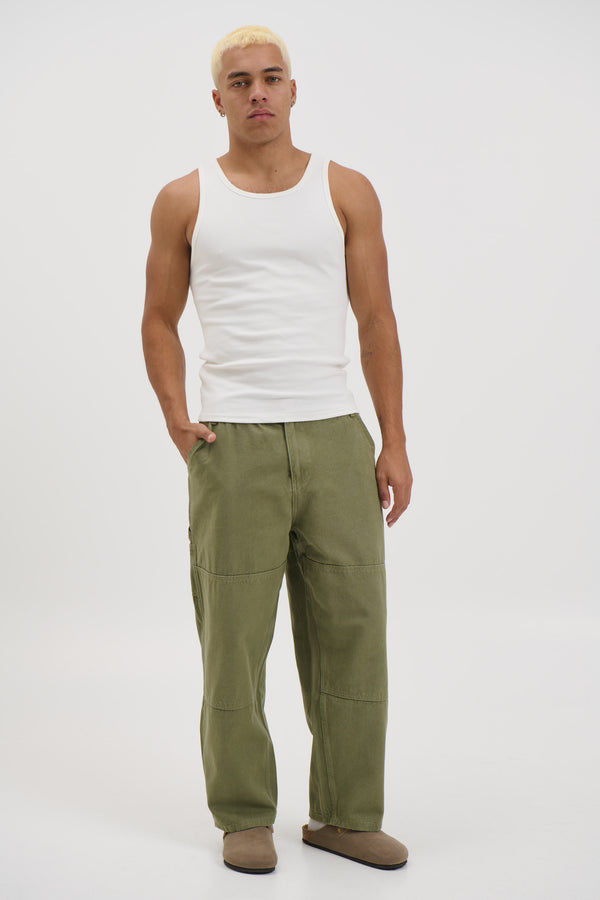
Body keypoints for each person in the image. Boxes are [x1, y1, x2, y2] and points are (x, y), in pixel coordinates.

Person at [141, 24, 413, 875]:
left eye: (271, 77)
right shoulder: (184, 199)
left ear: (293, 91)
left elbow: (376, 320)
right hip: (234, 443)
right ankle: (243, 815)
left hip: (334, 436)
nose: (257, 92)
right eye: (240, 81)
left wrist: (394, 440)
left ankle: (346, 815)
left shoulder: (346, 190)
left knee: (353, 631)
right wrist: (176, 415)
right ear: (217, 99)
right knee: (234, 641)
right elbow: (158, 319)